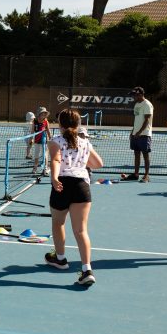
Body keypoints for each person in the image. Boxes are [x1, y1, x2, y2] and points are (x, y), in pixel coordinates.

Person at [44, 109, 104, 285]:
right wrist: (81, 162)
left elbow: (55, 160)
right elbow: (98, 163)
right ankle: (87, 270)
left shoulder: (55, 141)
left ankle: (61, 259)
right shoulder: (85, 143)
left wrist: (54, 178)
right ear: (78, 125)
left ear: (60, 125)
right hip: (81, 187)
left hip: (62, 185)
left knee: (58, 223)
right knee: (81, 231)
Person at [125, 86, 153, 182]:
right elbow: (136, 120)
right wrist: (133, 132)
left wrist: (139, 132)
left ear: (140, 94)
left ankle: (146, 175)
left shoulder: (147, 104)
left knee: (145, 154)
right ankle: (136, 174)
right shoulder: (136, 104)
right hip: (135, 134)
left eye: (135, 95)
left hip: (144, 134)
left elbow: (147, 120)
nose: (133, 97)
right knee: (136, 153)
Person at [31, 107, 52, 175]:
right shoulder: (35, 121)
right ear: (39, 114)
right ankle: (35, 167)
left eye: (44, 114)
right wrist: (31, 138)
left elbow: (48, 131)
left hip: (44, 141)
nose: (43, 115)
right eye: (42, 113)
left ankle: (45, 168)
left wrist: (50, 138)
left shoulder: (46, 121)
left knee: (45, 155)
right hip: (37, 141)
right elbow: (32, 131)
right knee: (36, 155)